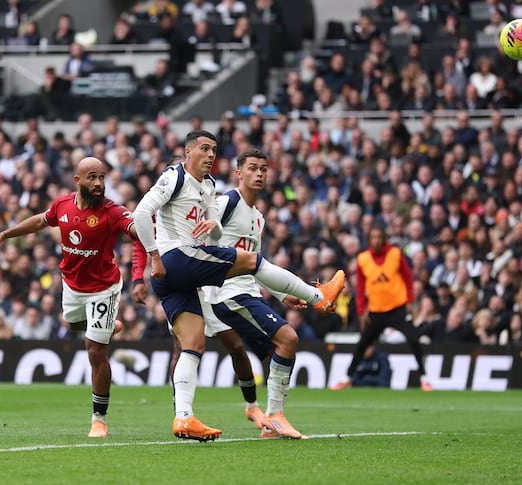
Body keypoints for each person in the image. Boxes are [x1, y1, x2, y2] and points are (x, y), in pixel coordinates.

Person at [132, 130, 344, 442]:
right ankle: (318, 296)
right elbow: (140, 213)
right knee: (252, 262)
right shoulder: (176, 178)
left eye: (214, 150)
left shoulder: (210, 188)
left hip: (182, 273)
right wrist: (154, 257)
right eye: (203, 148)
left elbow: (212, 235)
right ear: (187, 151)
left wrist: (213, 228)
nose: (209, 155)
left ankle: (184, 418)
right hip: (177, 260)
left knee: (193, 344)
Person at [0, 157, 146, 438]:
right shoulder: (63, 205)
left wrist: (150, 230)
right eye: (92, 177)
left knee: (94, 348)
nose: (99, 183)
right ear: (78, 180)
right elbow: (41, 221)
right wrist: (4, 235)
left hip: (104, 287)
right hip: (72, 286)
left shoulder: (112, 211)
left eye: (102, 177)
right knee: (73, 325)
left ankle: (99, 418)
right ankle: (106, 326)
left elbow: (135, 230)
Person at [201, 149, 310, 439]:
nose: (259, 174)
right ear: (239, 173)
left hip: (248, 292)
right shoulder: (226, 202)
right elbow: (197, 237)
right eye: (253, 168)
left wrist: (281, 293)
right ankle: (274, 416)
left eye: (264, 169)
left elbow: (257, 265)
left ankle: (271, 425)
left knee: (279, 350)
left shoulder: (258, 218)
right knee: (289, 338)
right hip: (227, 294)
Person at [331, 225, 433, 391]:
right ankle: (347, 377)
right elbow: (361, 287)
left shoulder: (396, 254)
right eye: (373, 237)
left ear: (384, 238)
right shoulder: (363, 259)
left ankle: (424, 378)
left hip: (397, 307)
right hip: (376, 310)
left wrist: (409, 301)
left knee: (413, 339)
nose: (377, 240)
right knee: (363, 344)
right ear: (369, 240)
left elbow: (408, 278)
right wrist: (362, 310)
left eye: (379, 237)